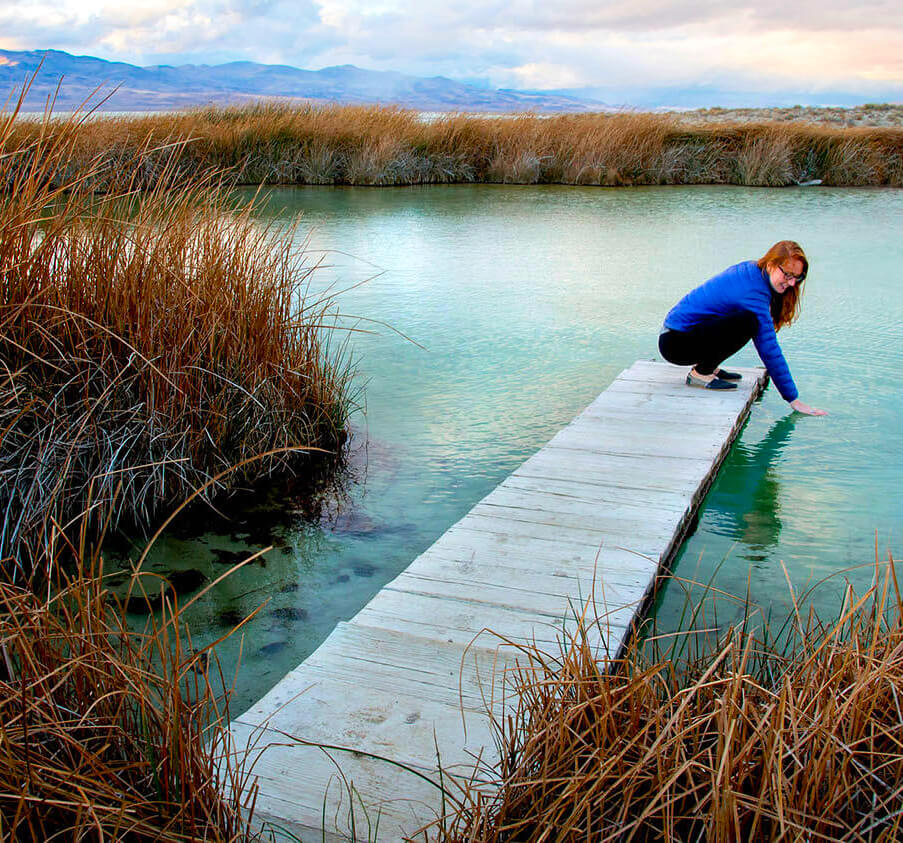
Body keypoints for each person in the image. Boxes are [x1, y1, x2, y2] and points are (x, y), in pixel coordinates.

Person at [658, 240, 827, 416]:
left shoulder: (753, 271)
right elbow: (769, 348)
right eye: (787, 275)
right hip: (676, 344)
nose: (792, 283)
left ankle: (709, 366)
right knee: (749, 322)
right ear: (771, 264)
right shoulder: (754, 293)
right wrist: (793, 399)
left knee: (744, 319)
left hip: (677, 337)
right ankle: (701, 373)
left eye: (797, 277)